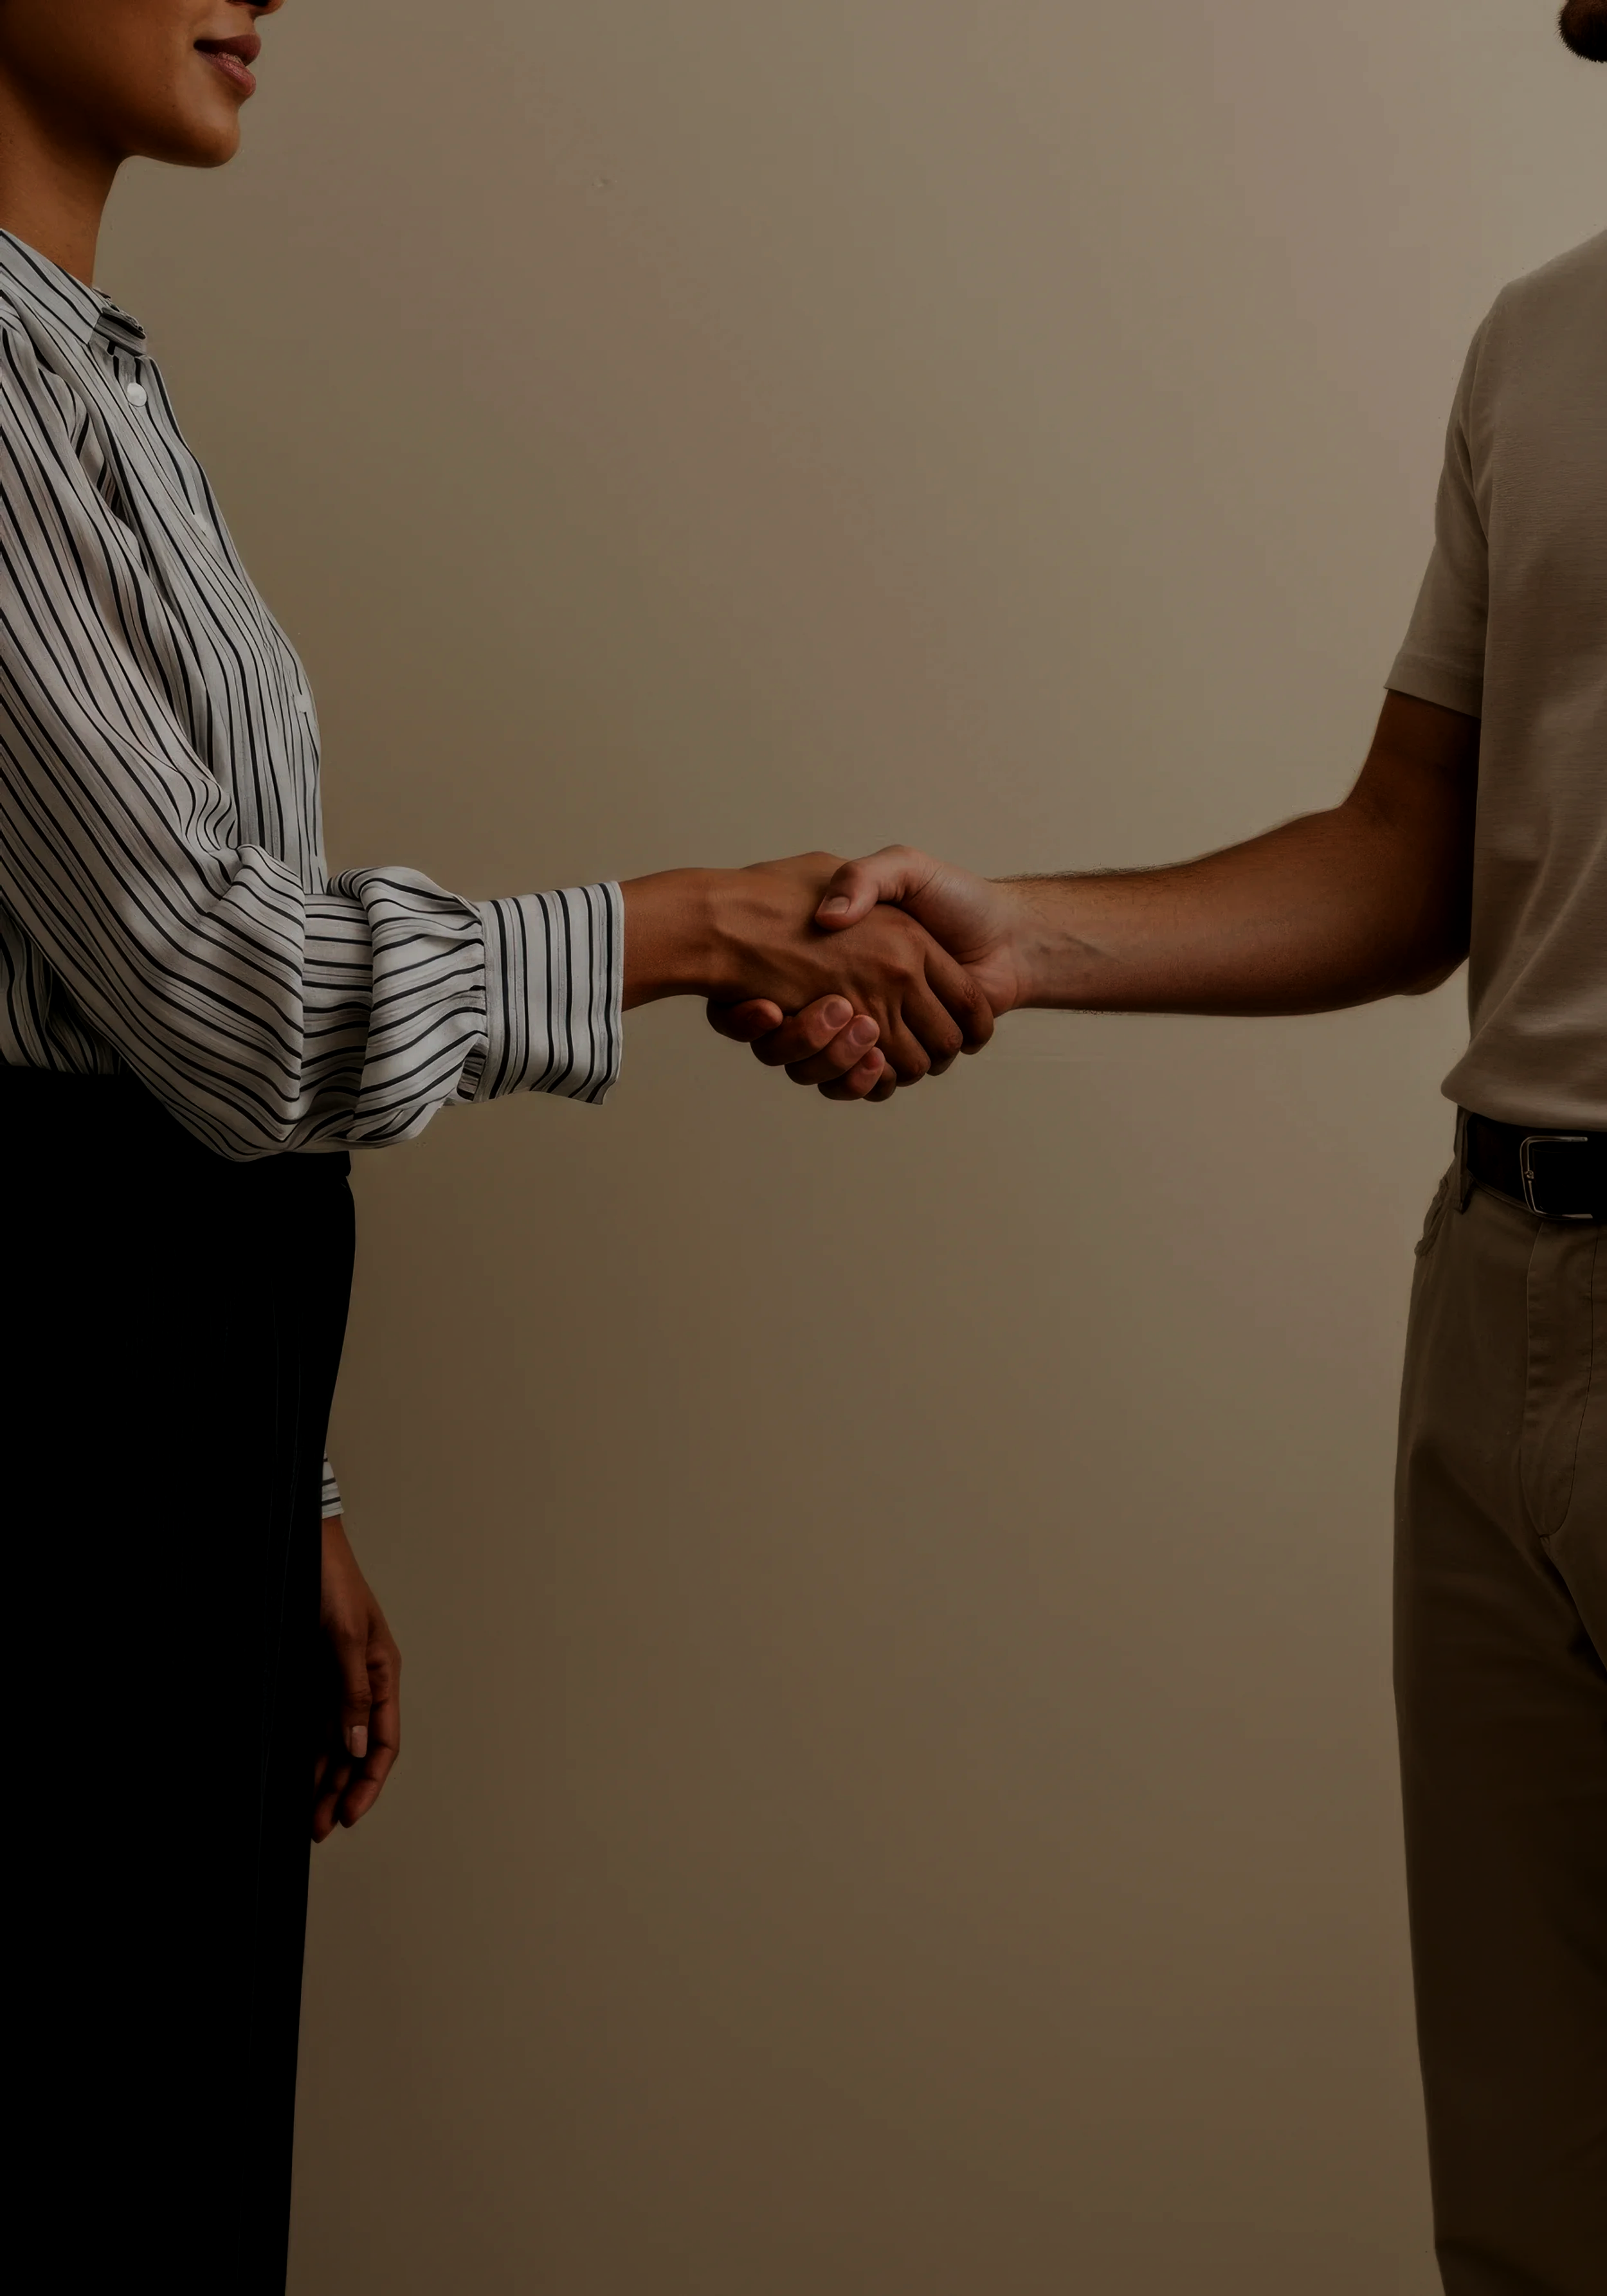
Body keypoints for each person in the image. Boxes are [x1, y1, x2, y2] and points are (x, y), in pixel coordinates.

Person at [0, 6, 995, 2288]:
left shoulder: (89, 379)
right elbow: (226, 1002)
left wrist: (293, 1492)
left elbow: (165, 1035)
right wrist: (689, 927)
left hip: (165, 1420)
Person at [720, 9, 1607, 2290]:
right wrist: (1021, 943)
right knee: (1531, 2212)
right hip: (1497, 1305)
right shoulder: (1536, 346)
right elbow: (1416, 850)